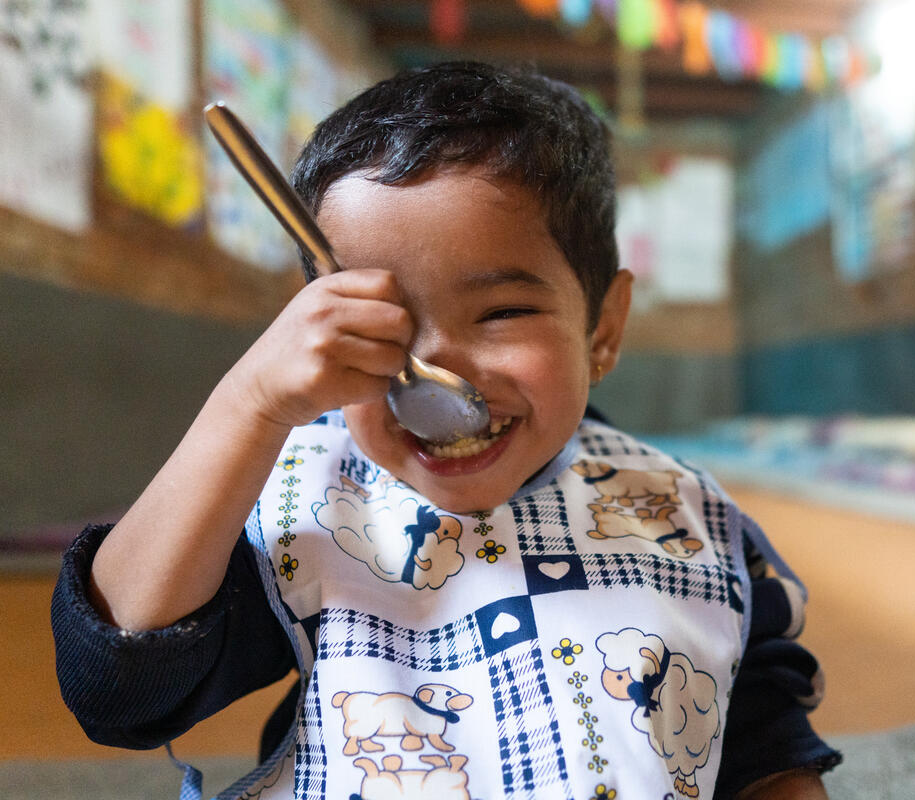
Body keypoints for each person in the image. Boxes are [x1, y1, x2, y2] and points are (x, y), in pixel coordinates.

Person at [51, 61, 840, 800]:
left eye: (502, 313)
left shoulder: (680, 514)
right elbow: (117, 692)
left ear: (603, 327)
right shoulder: (315, 510)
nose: (438, 374)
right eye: (376, 326)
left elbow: (759, 729)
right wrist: (247, 405)